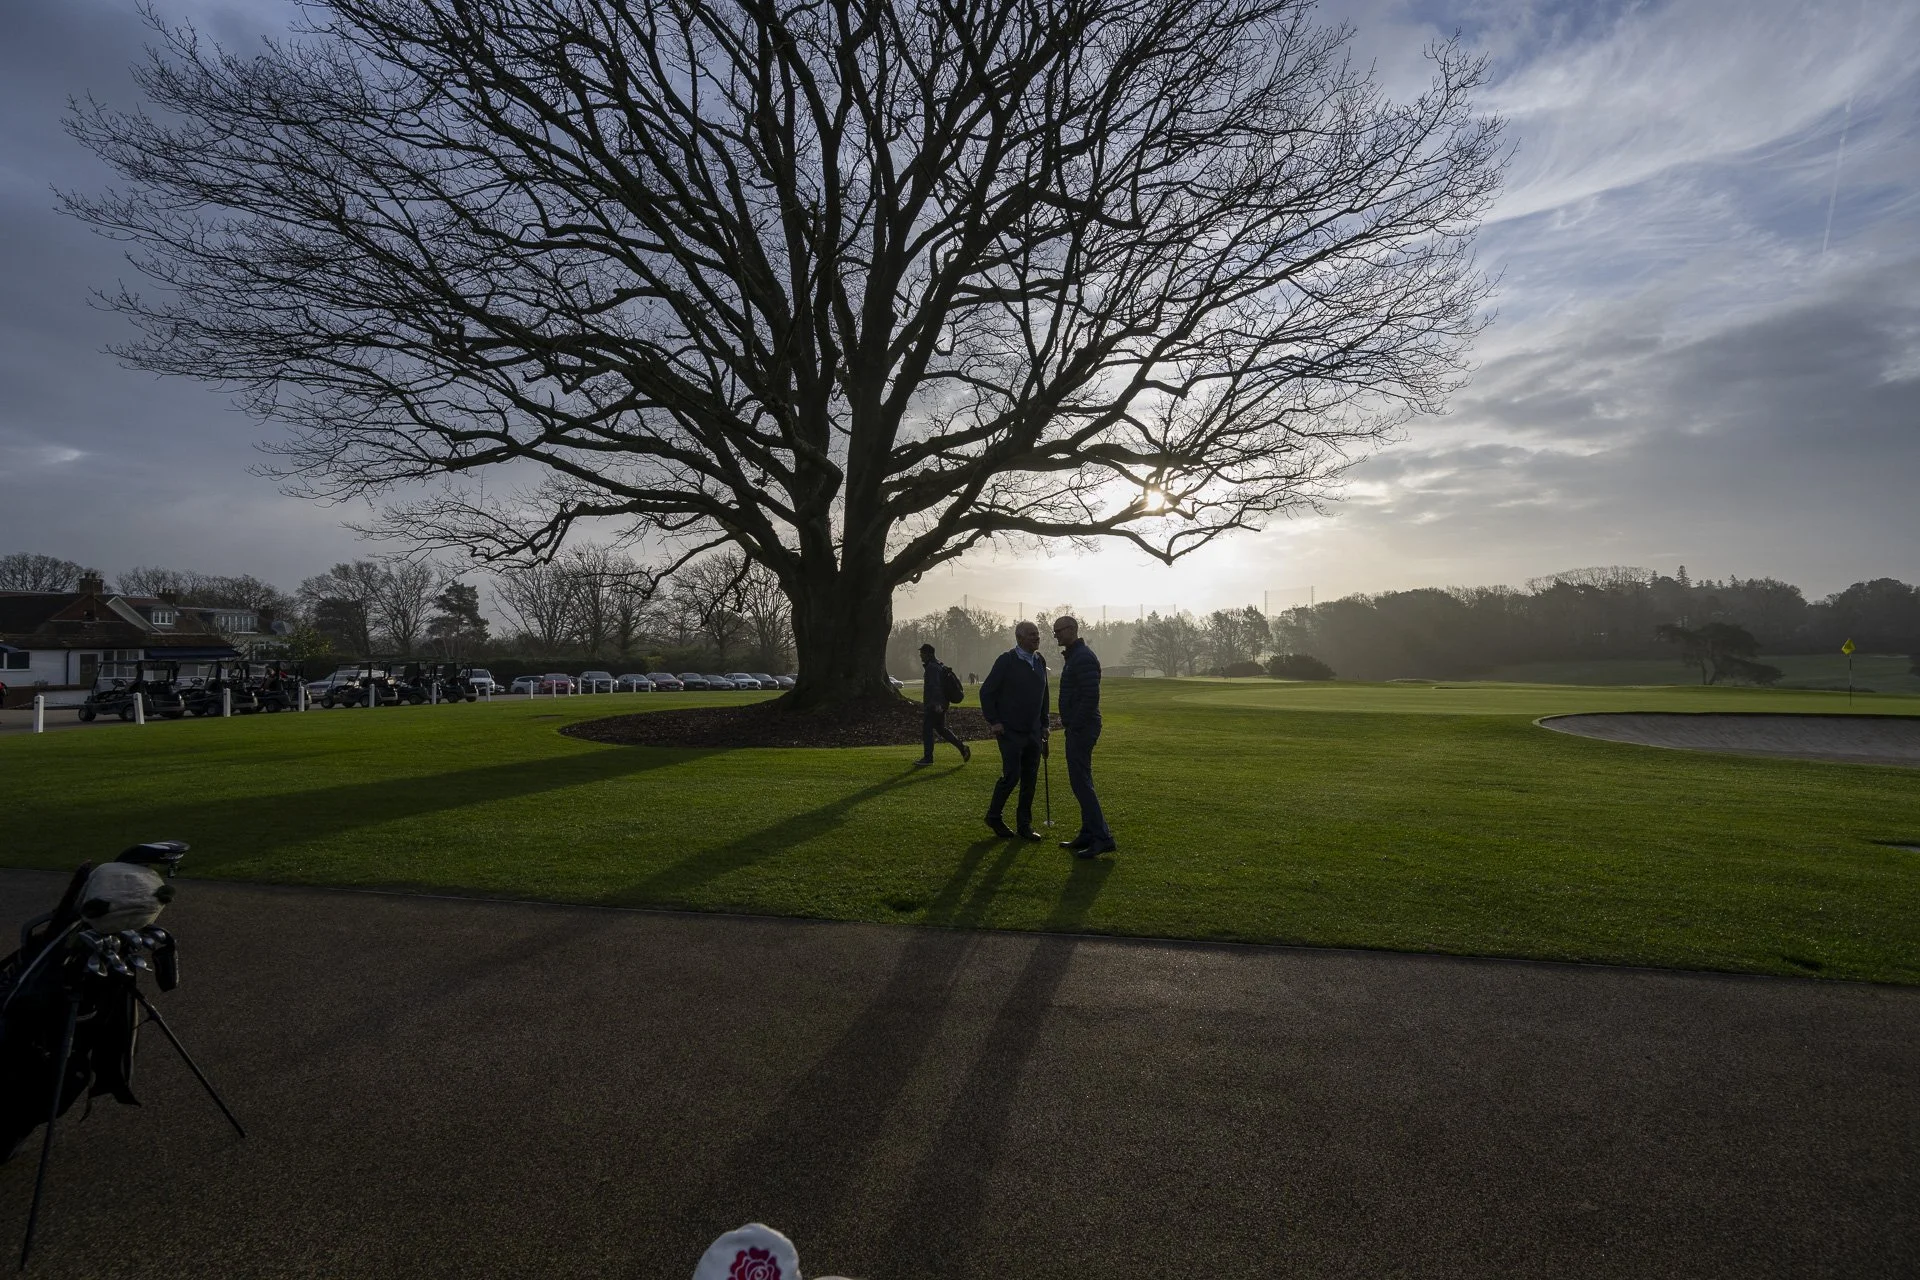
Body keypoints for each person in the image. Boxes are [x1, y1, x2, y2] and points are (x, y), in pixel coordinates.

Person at [977, 621, 1050, 840]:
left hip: (1033, 731)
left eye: (1037, 634)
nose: (1036, 637)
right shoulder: (1006, 661)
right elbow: (986, 692)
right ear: (1019, 638)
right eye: (1031, 634)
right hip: (1010, 731)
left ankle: (1024, 825)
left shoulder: (1039, 660)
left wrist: (1045, 724)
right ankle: (994, 816)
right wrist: (994, 721)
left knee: (1030, 779)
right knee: (1012, 776)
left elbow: (1044, 695)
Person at [1053, 615, 1117, 856]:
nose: (1056, 635)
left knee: (1081, 782)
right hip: (1080, 726)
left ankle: (1102, 837)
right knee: (1081, 780)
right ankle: (1088, 833)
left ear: (1072, 629)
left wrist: (1075, 725)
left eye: (1059, 630)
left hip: (1083, 727)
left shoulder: (1082, 657)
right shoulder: (1074, 656)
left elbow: (1091, 697)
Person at [914, 643, 971, 766]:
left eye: (922, 653)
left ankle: (928, 758)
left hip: (935, 705)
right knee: (941, 729)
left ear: (928, 654)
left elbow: (935, 687)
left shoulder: (932, 668)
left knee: (927, 729)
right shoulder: (938, 665)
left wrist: (936, 704)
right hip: (941, 703)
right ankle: (962, 748)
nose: (920, 656)